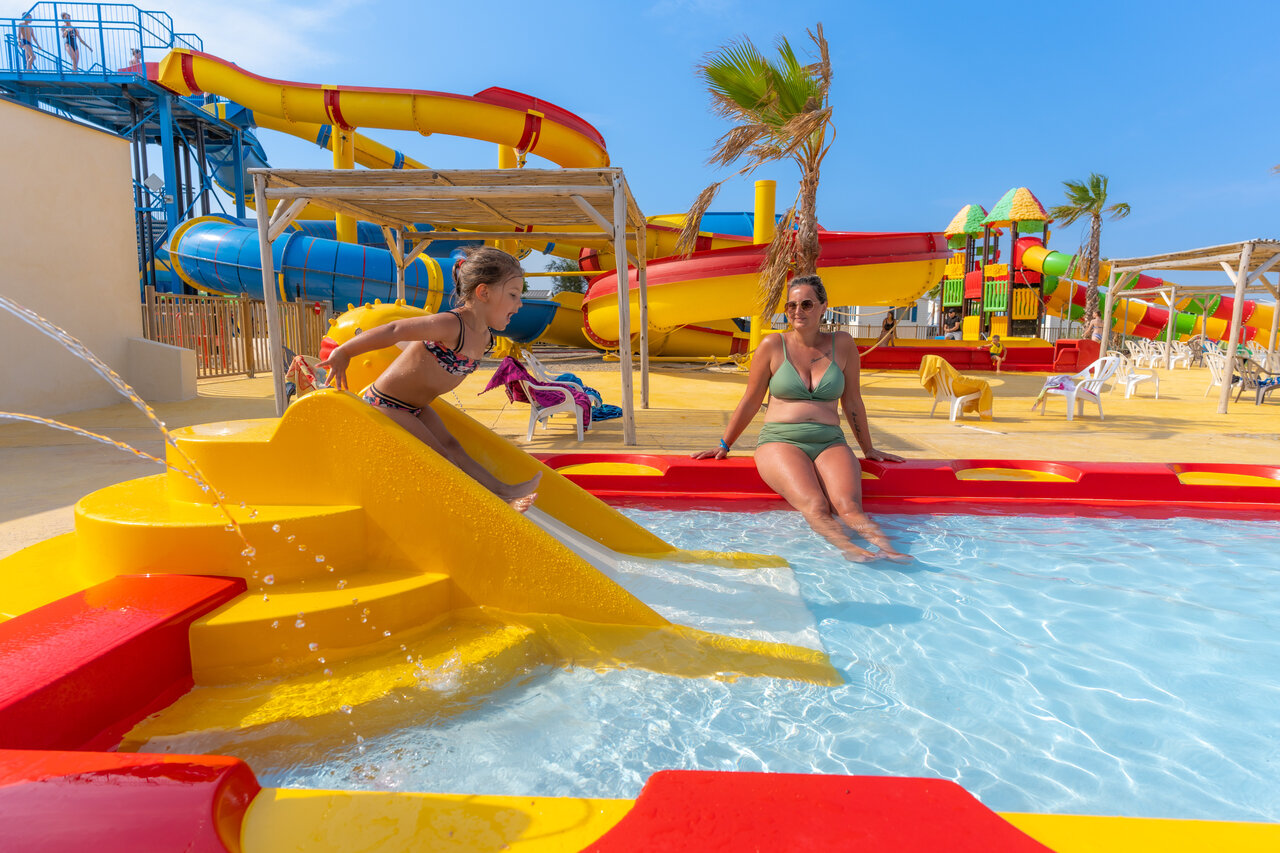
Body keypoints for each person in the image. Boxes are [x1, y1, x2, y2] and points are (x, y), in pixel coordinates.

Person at [693, 275, 908, 562]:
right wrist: (725, 443)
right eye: (791, 305)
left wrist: (868, 449)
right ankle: (853, 551)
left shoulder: (842, 344)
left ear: (823, 307)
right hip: (780, 441)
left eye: (807, 304)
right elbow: (751, 400)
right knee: (816, 506)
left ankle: (895, 554)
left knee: (849, 507)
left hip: (830, 441)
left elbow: (853, 401)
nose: (798, 311)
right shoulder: (772, 345)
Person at [319, 247, 540, 511]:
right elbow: (394, 329)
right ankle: (493, 505)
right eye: (513, 295)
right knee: (442, 456)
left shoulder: (484, 336)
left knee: (452, 445)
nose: (520, 304)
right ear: (484, 293)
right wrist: (344, 351)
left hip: (417, 407)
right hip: (385, 404)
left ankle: (503, 490)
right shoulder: (451, 325)